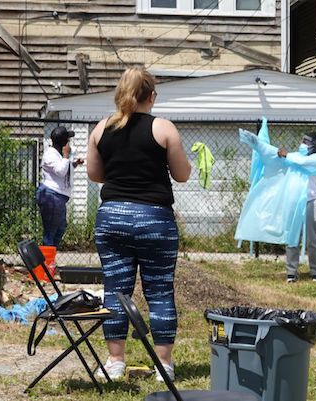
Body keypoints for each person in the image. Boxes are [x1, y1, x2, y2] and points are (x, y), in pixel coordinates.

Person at [86, 67, 191, 381]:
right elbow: (182, 175)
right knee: (159, 292)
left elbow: (95, 174)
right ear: (152, 96)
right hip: (155, 220)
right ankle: (164, 366)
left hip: (112, 218)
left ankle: (115, 362)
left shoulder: (101, 128)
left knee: (115, 291)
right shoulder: (164, 129)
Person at [278, 132, 316, 283]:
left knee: (312, 239)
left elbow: (301, 162)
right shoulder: (295, 157)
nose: (303, 144)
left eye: (306, 142)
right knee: (292, 237)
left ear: (314, 145)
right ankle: (291, 273)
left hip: (311, 202)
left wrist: (286, 155)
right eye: (303, 141)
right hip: (295, 203)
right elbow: (280, 160)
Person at [36, 126, 84, 248]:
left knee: (59, 230)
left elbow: (64, 169)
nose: (69, 143)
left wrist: (75, 164)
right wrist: (66, 155)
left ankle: (50, 261)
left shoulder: (58, 155)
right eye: (68, 140)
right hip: (50, 196)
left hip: (58, 197)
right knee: (51, 232)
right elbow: (60, 171)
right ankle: (47, 264)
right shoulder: (50, 154)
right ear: (63, 142)